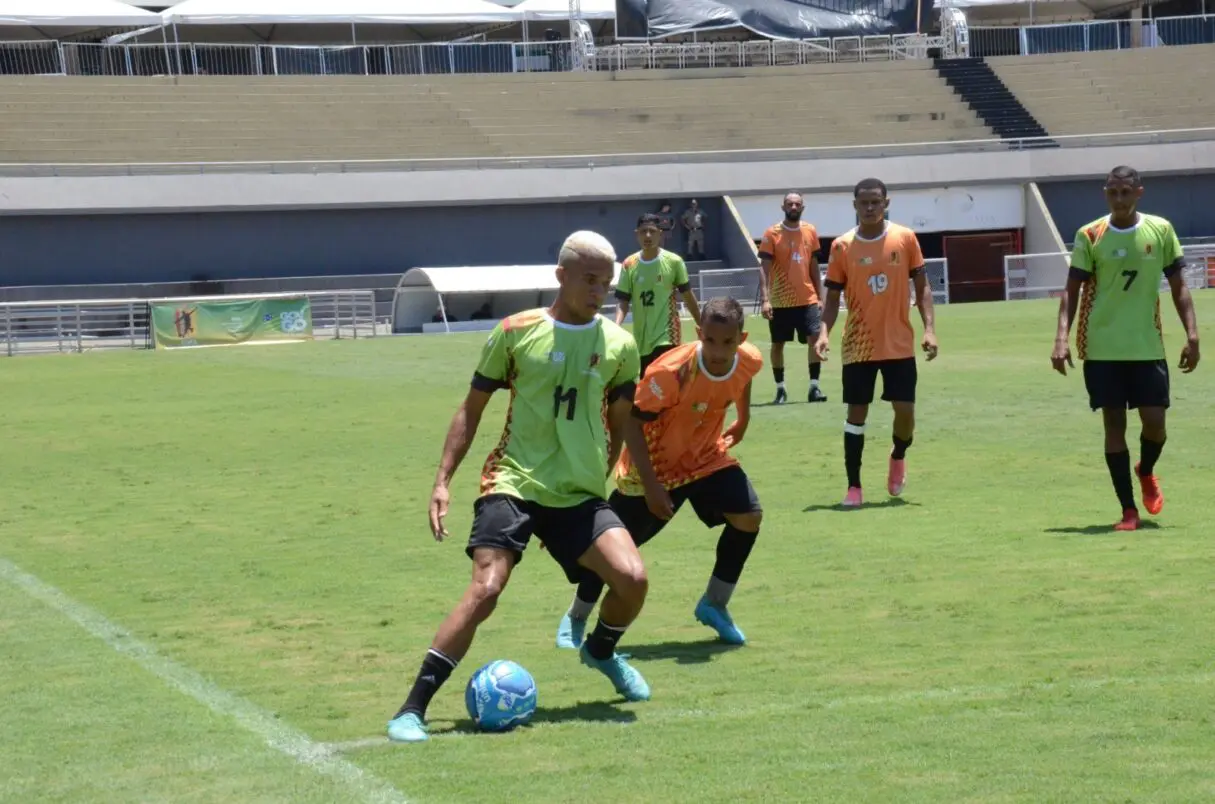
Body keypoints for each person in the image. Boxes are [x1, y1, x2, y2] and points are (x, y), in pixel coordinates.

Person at [386, 231, 671, 744]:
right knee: (486, 588)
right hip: (513, 481)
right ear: (560, 275)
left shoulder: (621, 346)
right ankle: (413, 708)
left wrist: (630, 480)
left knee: (633, 579)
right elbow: (471, 410)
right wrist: (442, 481)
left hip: (579, 493)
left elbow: (622, 422)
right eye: (589, 279)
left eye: (607, 282)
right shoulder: (515, 332)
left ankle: (601, 650)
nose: (599, 290)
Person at [556, 297, 764, 649]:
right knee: (614, 549)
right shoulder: (670, 373)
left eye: (728, 342)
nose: (718, 350)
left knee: (749, 516)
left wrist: (742, 419)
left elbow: (741, 380)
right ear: (699, 333)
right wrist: (652, 487)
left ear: (741, 338)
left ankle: (715, 604)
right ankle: (577, 616)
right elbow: (632, 424)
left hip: (704, 458)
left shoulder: (749, 359)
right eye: (710, 340)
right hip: (651, 467)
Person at [1050, 165, 1200, 531]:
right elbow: (1071, 291)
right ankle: (1128, 511)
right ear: (1105, 193)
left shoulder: (1160, 231)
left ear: (1138, 193)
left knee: (1156, 424)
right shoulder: (1090, 234)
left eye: (1125, 192)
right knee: (1113, 426)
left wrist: (1193, 335)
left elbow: (1179, 287)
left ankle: (1146, 470)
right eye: (1113, 192)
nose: (1119, 199)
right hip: (1101, 348)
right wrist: (1060, 337)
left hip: (1147, 346)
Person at [815, 178, 938, 508]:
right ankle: (854, 487)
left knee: (905, 412)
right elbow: (831, 298)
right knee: (857, 414)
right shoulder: (842, 246)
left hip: (899, 343)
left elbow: (923, 287)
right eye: (864, 202)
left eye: (876, 202)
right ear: (854, 205)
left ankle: (898, 455)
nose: (870, 208)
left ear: (886, 203)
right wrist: (824, 332)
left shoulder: (905, 238)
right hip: (859, 344)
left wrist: (929, 329)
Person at [759, 192, 827, 405]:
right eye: (790, 204)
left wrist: (820, 296)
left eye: (797, 204)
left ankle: (814, 387)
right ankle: (780, 389)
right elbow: (764, 269)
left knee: (814, 340)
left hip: (807, 298)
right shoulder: (772, 233)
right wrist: (765, 299)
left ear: (803, 207)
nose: (794, 207)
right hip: (780, 301)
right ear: (783, 207)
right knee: (778, 344)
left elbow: (814, 266)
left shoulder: (810, 231)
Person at [616, 213, 703, 374]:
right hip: (641, 341)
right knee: (647, 390)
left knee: (665, 386)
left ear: (660, 234)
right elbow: (623, 302)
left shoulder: (674, 261)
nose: (647, 235)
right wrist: (616, 326)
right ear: (637, 234)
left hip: (668, 336)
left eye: (652, 231)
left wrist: (701, 324)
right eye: (643, 231)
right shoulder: (629, 264)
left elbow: (687, 295)